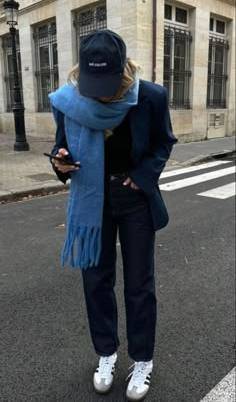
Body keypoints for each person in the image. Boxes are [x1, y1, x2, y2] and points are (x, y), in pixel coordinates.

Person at [49, 29, 177, 401]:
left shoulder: (150, 96)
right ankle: (106, 353)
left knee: (139, 284)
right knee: (96, 280)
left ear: (122, 72)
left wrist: (141, 178)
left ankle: (143, 360)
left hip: (133, 198)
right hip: (92, 199)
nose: (101, 93)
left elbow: (163, 142)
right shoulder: (68, 101)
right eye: (94, 83)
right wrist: (61, 163)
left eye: (107, 84)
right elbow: (62, 146)